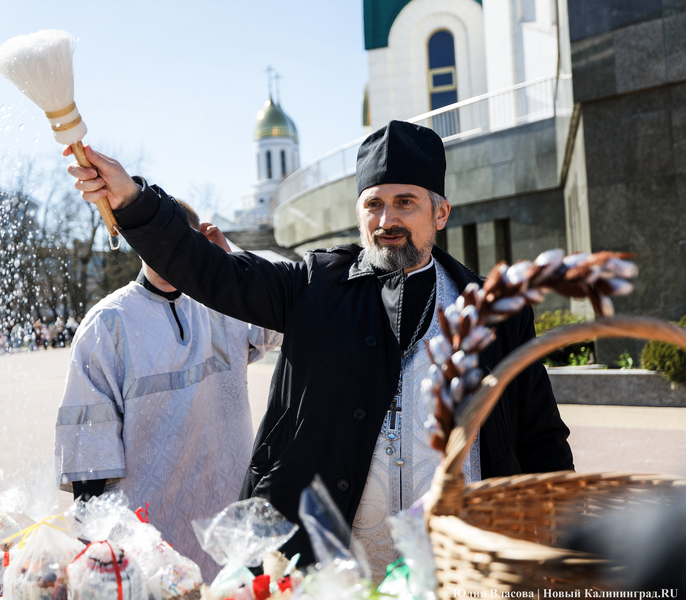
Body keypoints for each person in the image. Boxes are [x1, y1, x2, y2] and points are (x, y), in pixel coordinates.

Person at [63, 120, 574, 576]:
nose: (386, 219)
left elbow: (540, 439)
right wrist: (133, 200)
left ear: (441, 213)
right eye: (373, 203)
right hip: (333, 570)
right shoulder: (316, 287)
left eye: (405, 203)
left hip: (458, 567)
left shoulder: (496, 313)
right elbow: (214, 272)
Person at [54, 198, 283, 581]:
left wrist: (234, 266)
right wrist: (103, 551)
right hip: (149, 540)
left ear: (201, 242)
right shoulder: (107, 324)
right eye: (155, 245)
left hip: (228, 531)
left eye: (181, 245)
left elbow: (283, 316)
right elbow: (88, 453)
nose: (167, 258)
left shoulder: (225, 304)